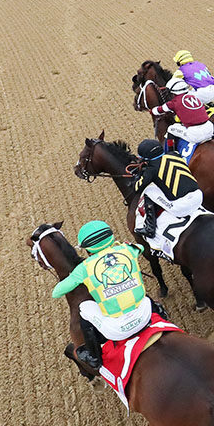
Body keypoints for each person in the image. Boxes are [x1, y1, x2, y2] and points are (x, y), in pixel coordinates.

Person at [51, 220, 154, 371]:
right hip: (145, 314)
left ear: (87, 248)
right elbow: (140, 247)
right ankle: (160, 313)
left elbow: (56, 292)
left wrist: (76, 276)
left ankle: (94, 356)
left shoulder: (84, 268)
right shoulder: (128, 250)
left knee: (84, 307)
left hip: (117, 328)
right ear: (111, 238)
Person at [132, 139, 204, 240]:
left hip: (182, 207)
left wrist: (138, 175)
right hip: (199, 196)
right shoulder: (175, 155)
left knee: (148, 190)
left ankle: (149, 228)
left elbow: (136, 188)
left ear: (146, 159)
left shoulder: (151, 170)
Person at [149, 79, 214, 157]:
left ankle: (171, 153)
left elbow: (158, 110)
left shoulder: (174, 102)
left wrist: (151, 111)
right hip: (210, 129)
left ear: (173, 93)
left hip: (195, 134)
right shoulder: (194, 97)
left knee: (171, 128)